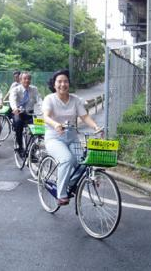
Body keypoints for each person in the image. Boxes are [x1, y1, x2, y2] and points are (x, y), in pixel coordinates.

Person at [42, 69, 101, 206]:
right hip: (54, 138)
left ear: (69, 83)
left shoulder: (75, 100)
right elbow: (46, 116)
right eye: (59, 81)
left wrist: (96, 127)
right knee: (67, 159)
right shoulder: (49, 99)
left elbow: (84, 116)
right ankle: (61, 195)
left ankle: (67, 183)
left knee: (84, 162)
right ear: (54, 84)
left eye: (65, 81)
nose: (63, 84)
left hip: (72, 138)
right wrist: (56, 124)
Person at [9, 71, 43, 157]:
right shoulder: (15, 90)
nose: (27, 80)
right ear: (20, 80)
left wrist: (44, 108)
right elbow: (12, 100)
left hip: (29, 113)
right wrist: (14, 108)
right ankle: (20, 147)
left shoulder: (34, 89)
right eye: (25, 78)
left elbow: (39, 100)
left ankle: (33, 151)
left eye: (29, 79)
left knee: (37, 128)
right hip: (18, 113)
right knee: (18, 125)